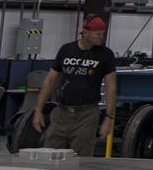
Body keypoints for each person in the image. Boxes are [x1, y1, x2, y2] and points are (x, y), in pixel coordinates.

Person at [32, 15, 117, 156]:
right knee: (50, 154)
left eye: (103, 34)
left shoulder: (105, 54)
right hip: (61, 113)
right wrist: (38, 110)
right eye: (98, 34)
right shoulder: (66, 50)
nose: (101, 38)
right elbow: (50, 81)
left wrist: (109, 118)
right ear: (85, 32)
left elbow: (111, 87)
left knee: (81, 157)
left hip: (87, 115)